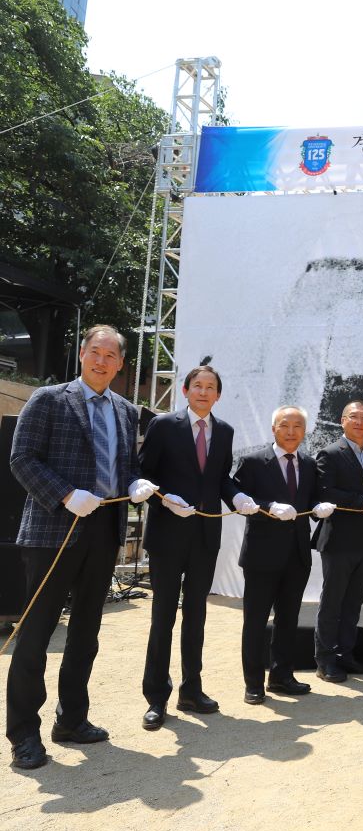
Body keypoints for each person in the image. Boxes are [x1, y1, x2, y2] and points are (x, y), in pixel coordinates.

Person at [7, 325, 157, 771]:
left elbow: (126, 465)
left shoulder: (126, 411)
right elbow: (22, 459)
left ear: (121, 364)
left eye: (111, 356)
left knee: (86, 634)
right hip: (54, 531)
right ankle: (23, 734)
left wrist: (135, 484)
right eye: (95, 352)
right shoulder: (49, 399)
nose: (101, 361)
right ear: (82, 354)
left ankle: (71, 719)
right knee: (36, 636)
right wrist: (65, 494)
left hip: (104, 532)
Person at [138, 365, 241, 732]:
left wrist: (237, 496)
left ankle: (191, 690)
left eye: (210, 387)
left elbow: (221, 478)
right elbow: (144, 475)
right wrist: (165, 499)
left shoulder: (224, 431)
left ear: (218, 395)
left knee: (196, 614)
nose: (203, 392)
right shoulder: (164, 425)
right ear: (185, 390)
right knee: (163, 616)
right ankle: (156, 697)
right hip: (167, 536)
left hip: (205, 536)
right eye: (197, 385)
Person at [232, 405, 332, 705]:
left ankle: (282, 676)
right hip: (261, 555)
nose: (291, 432)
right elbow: (239, 501)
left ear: (305, 431)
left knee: (288, 619)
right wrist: (268, 507)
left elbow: (314, 498)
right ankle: (253, 683)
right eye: (285, 426)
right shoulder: (253, 462)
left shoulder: (309, 464)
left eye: (297, 426)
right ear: (273, 428)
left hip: (297, 555)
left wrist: (319, 507)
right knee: (255, 621)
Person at [312, 401, 363, 683]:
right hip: (339, 540)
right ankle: (325, 660)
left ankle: (345, 654)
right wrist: (361, 501)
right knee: (332, 602)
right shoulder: (330, 453)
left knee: (353, 602)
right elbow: (326, 491)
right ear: (342, 420)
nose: (360, 422)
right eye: (354, 417)